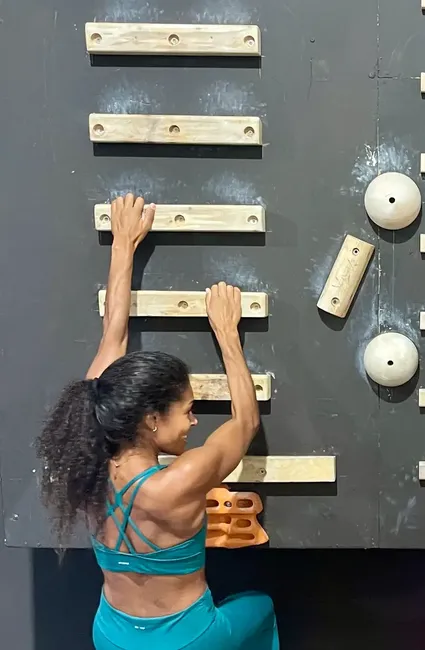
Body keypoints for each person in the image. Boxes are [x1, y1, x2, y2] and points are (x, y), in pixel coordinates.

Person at [35, 194, 279, 650]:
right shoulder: (177, 482)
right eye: (186, 409)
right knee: (259, 606)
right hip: (188, 640)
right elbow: (244, 423)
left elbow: (114, 334)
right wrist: (228, 333)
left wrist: (122, 244)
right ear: (150, 420)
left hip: (110, 633)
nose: (192, 421)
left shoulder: (86, 447)